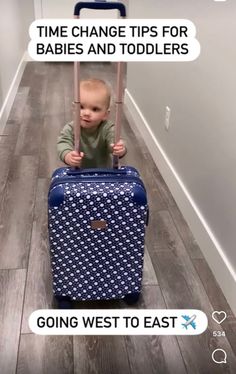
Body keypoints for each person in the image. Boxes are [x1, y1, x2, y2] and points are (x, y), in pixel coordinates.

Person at [57, 78, 126, 168]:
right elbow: (63, 143)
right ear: (74, 108)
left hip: (103, 173)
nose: (86, 113)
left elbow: (113, 139)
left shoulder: (107, 128)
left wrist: (118, 148)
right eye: (81, 107)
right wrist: (68, 155)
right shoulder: (70, 128)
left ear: (105, 114)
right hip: (77, 173)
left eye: (95, 109)